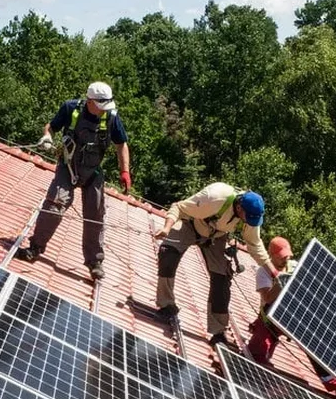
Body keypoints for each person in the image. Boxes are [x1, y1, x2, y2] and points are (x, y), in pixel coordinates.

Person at [14, 82, 131, 281]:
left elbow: (121, 144)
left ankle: (95, 263)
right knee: (55, 205)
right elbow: (51, 127)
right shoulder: (71, 108)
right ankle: (35, 248)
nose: (103, 110)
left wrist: (125, 171)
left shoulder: (111, 117)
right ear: (90, 101)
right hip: (68, 167)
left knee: (95, 215)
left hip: (93, 172)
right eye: (100, 105)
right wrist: (46, 137)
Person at [153, 183, 272, 346]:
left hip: (216, 237)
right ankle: (166, 305)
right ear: (239, 207)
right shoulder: (215, 198)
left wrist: (272, 271)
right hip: (191, 224)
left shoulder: (250, 216)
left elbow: (255, 245)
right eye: (248, 218)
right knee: (168, 252)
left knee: (222, 279)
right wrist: (167, 228)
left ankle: (218, 331)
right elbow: (179, 207)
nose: (250, 222)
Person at [246, 236, 336, 394]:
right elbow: (267, 298)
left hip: (295, 316)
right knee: (255, 354)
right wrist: (280, 284)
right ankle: (260, 377)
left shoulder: (294, 266)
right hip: (271, 319)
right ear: (272, 255)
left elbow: (317, 281)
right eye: (282, 257)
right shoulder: (263, 272)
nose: (286, 259)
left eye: (287, 256)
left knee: (314, 344)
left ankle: (334, 385)